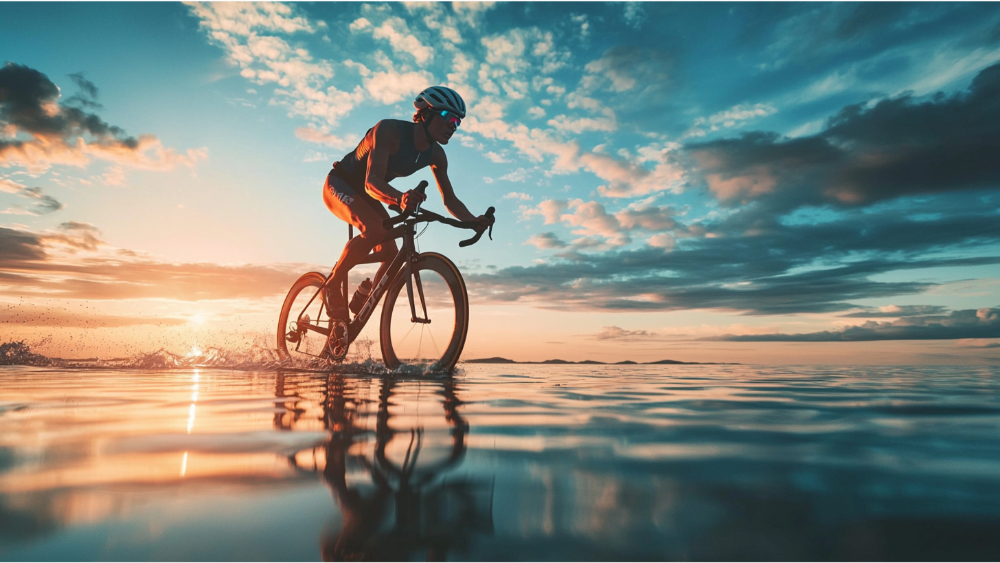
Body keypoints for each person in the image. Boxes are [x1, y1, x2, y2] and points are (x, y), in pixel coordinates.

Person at [322, 86, 493, 324]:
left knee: (391, 254)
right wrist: (401, 198)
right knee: (374, 229)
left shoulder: (436, 155)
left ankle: (363, 303)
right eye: (447, 117)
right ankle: (330, 287)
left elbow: (450, 200)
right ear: (425, 113)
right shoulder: (389, 131)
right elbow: (372, 182)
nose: (452, 126)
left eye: (457, 122)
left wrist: (473, 220)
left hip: (370, 195)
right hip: (341, 183)